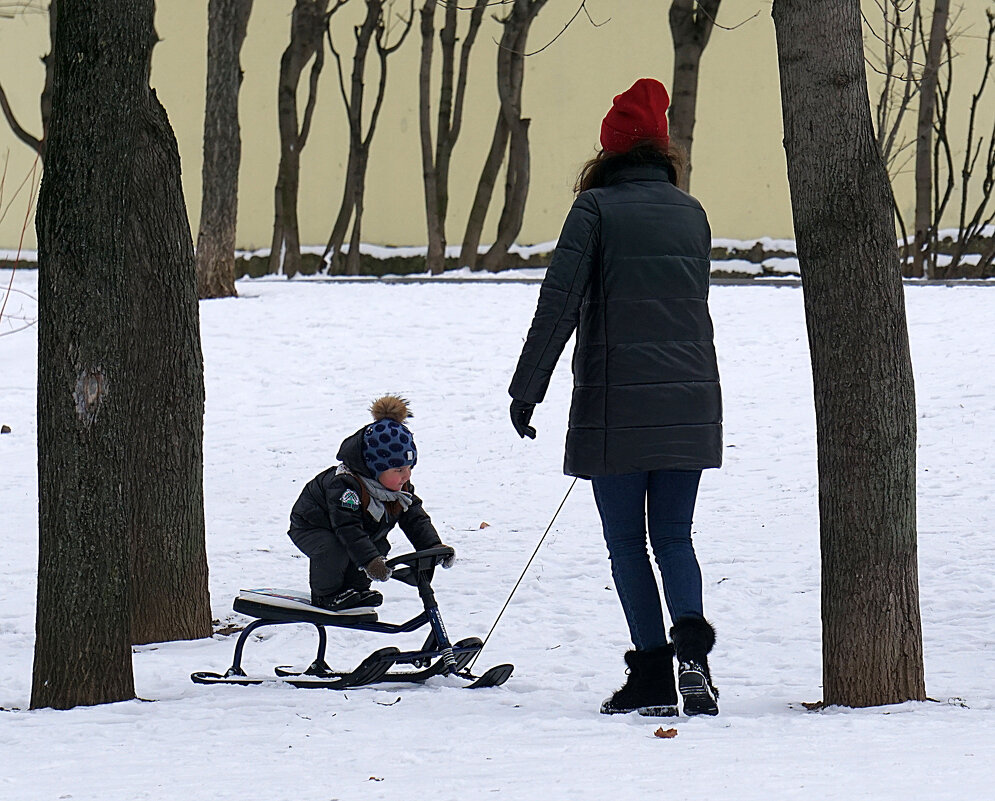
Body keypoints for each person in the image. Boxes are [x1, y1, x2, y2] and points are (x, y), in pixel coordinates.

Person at [508, 78, 722, 717]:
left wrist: (528, 389)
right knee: (676, 537)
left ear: (608, 151)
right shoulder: (693, 214)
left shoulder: (595, 210)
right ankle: (694, 657)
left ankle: (653, 676)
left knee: (629, 543)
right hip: (690, 404)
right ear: (661, 152)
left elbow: (558, 306)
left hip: (615, 408)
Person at [288, 395, 452, 611]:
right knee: (334, 548)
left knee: (378, 545)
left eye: (410, 468)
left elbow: (415, 518)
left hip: (350, 528)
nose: (407, 475)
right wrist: (370, 562)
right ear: (375, 468)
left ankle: (356, 590)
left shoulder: (398, 489)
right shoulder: (346, 486)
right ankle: (326, 595)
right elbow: (348, 529)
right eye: (399, 470)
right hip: (313, 525)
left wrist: (432, 546)